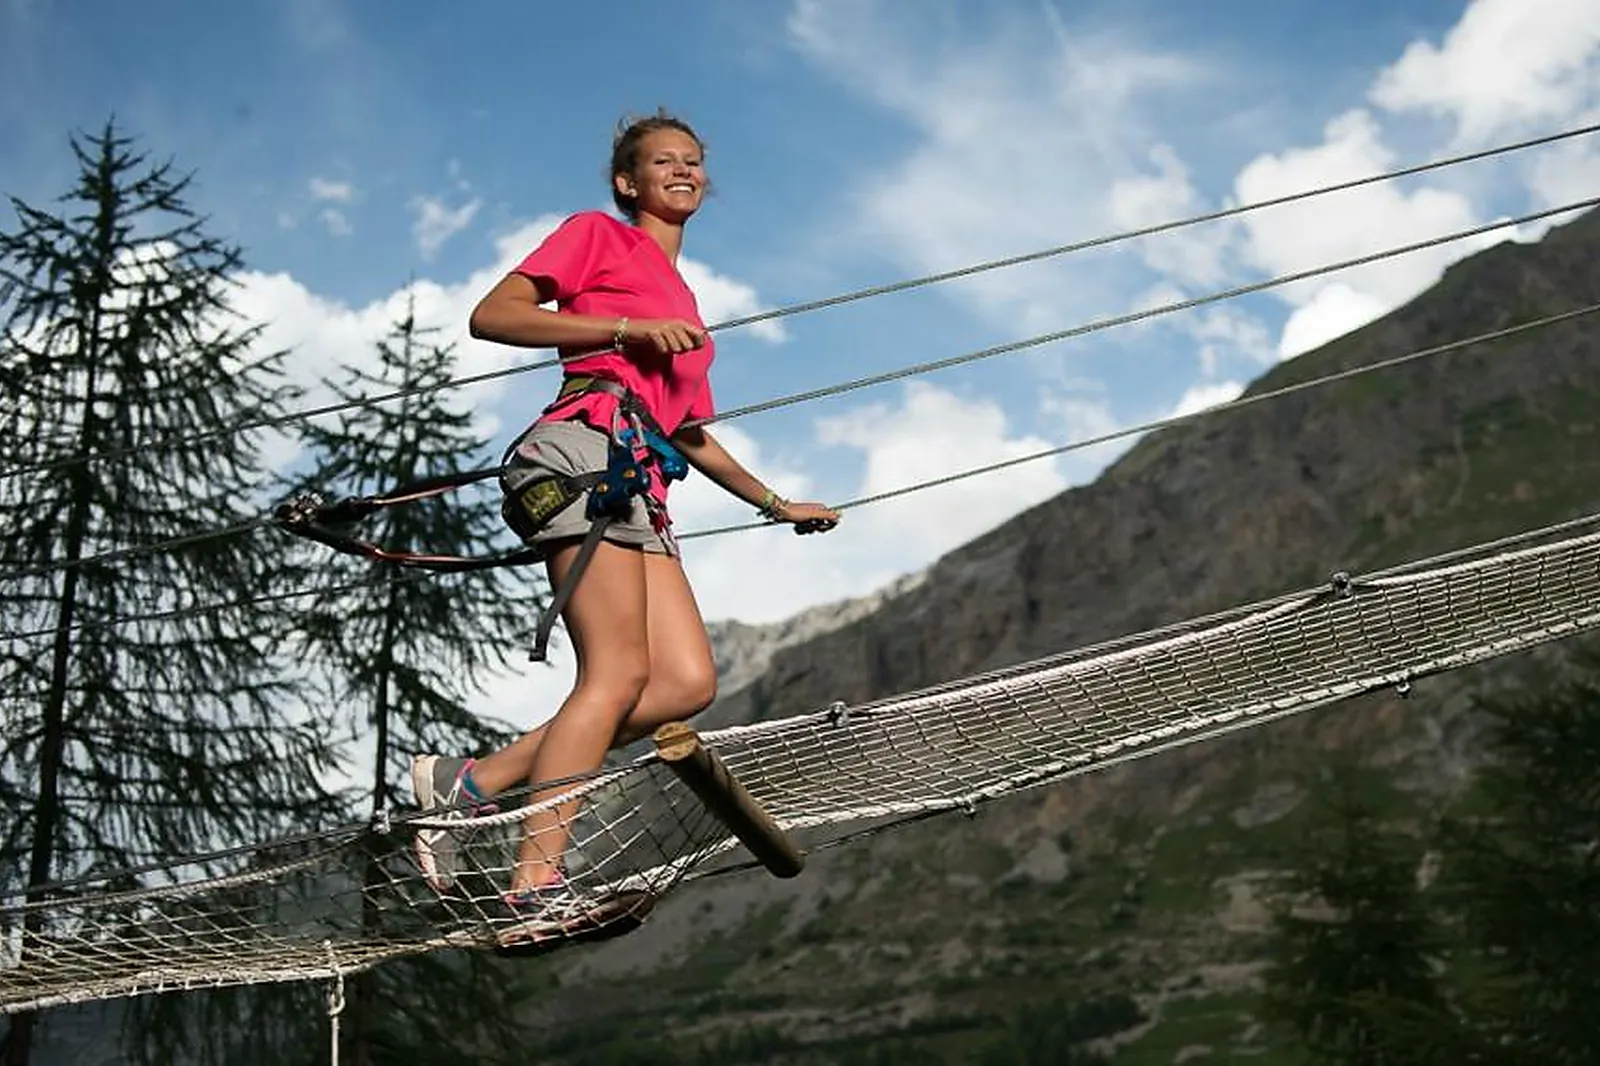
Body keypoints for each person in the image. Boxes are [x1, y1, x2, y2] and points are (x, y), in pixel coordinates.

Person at [409, 111, 839, 941]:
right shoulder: (596, 237)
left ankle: (470, 784)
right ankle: (533, 889)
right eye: (662, 162)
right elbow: (492, 316)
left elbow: (686, 430)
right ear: (626, 181)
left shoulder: (682, 298)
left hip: (639, 476)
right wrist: (621, 328)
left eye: (693, 162)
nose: (683, 171)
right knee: (614, 673)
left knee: (683, 686)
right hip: (579, 451)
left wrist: (775, 504)